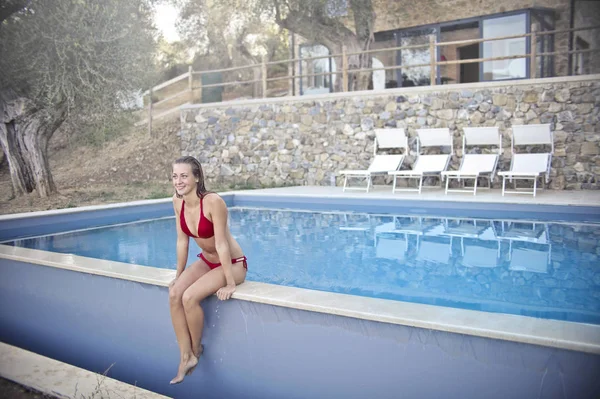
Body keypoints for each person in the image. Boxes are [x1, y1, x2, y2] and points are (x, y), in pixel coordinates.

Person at [168, 156, 247, 385]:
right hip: (206, 260)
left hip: (232, 263)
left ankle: (195, 350)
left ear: (197, 177)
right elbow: (182, 241)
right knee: (175, 294)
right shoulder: (177, 201)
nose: (178, 181)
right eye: (175, 176)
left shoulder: (213, 202)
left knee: (190, 297)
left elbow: (222, 244)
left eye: (184, 176)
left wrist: (230, 282)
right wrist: (178, 276)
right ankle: (185, 356)